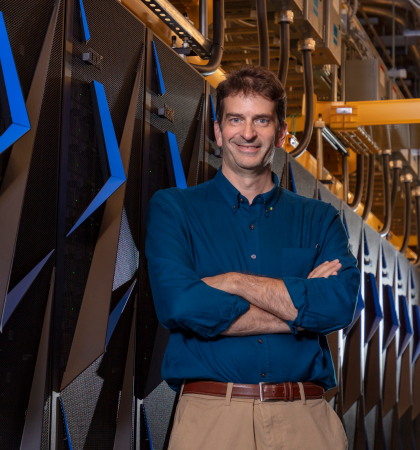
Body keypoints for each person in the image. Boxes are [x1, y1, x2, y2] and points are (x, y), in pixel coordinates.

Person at [145, 65, 360, 450]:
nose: (247, 133)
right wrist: (299, 310)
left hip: (305, 419)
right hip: (212, 419)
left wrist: (233, 283)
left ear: (280, 133)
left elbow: (340, 305)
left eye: (261, 120)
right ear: (217, 129)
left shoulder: (319, 218)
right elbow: (179, 303)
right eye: (235, 120)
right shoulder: (175, 209)